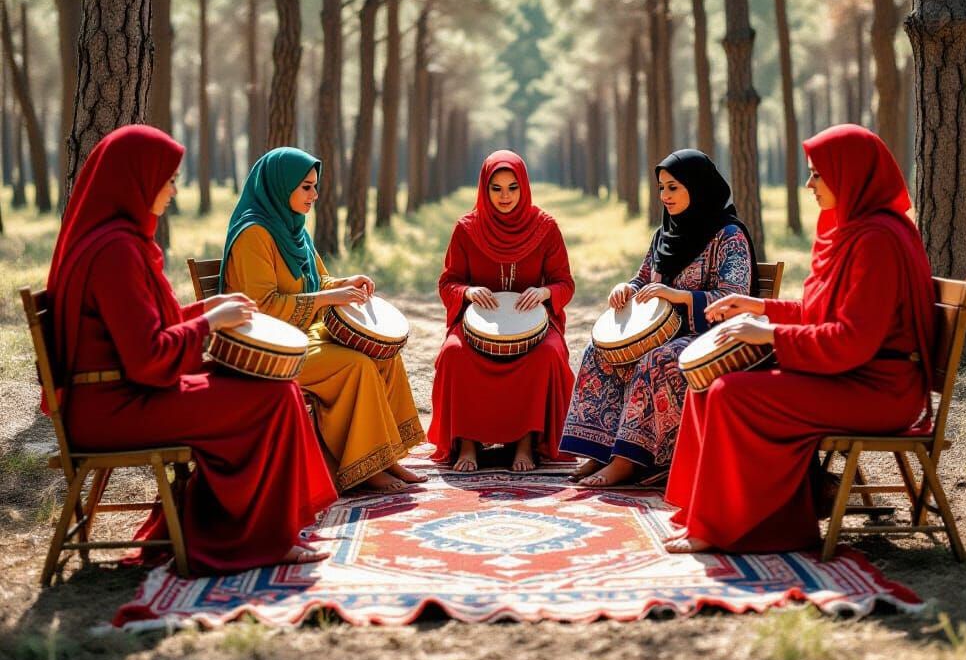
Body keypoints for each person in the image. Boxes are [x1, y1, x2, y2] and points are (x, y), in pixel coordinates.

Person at [49, 125, 336, 574]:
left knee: (271, 388)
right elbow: (147, 357)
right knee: (271, 395)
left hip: (118, 396)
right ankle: (250, 536)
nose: (174, 189)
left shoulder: (114, 241)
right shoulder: (116, 252)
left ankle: (248, 527)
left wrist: (207, 306)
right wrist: (208, 324)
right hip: (113, 409)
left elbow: (142, 327)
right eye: (167, 179)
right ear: (136, 179)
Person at [662, 124, 936, 554]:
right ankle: (705, 514)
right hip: (853, 375)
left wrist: (769, 334)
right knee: (707, 387)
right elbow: (821, 313)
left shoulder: (878, 241)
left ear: (852, 175)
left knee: (733, 394)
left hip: (879, 389)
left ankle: (739, 526)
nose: (809, 184)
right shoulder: (853, 230)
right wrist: (757, 307)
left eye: (818, 174)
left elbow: (852, 340)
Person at [220, 148, 425, 494]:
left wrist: (345, 283)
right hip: (269, 349)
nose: (315, 195)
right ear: (279, 186)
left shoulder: (294, 229)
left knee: (383, 355)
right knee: (356, 365)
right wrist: (328, 297)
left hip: (302, 336)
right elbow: (261, 307)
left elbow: (317, 282)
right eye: (306, 187)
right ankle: (365, 467)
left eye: (316, 186)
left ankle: (386, 456)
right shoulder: (254, 234)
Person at [560, 150, 756, 488]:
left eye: (674, 188)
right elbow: (643, 280)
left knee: (657, 360)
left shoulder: (729, 236)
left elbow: (733, 300)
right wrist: (625, 288)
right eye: (661, 188)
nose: (664, 196)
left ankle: (627, 461)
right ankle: (600, 450)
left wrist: (678, 297)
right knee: (601, 351)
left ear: (697, 187)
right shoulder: (665, 234)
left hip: (711, 336)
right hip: (664, 332)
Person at [428, 150, 575, 472]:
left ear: (524, 187)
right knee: (454, 354)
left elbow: (565, 282)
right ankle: (467, 444)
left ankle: (525, 444)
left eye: (513, 187)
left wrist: (545, 291)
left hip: (534, 325)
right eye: (496, 188)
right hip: (474, 325)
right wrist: (467, 291)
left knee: (548, 355)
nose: (505, 196)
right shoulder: (466, 229)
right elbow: (448, 282)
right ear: (484, 188)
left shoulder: (545, 227)